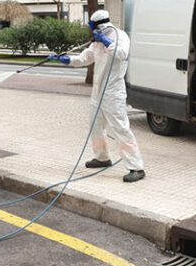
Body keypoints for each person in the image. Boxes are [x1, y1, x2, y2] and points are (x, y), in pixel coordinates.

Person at [47, 10, 146, 182]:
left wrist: (106, 41)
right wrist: (66, 60)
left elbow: (122, 54)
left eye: (91, 27)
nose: (90, 31)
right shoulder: (96, 43)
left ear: (98, 26)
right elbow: (84, 59)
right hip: (97, 93)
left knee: (121, 129)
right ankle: (102, 158)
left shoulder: (119, 36)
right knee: (96, 127)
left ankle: (136, 167)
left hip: (113, 93)